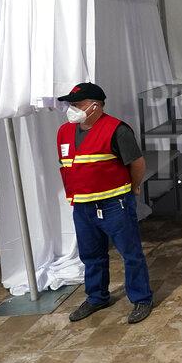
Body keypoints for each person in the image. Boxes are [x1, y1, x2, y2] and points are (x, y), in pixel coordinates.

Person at [56, 83, 154, 324]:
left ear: (94, 106)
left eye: (77, 105)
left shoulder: (117, 130)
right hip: (82, 206)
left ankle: (141, 298)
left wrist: (133, 187)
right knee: (91, 255)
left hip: (114, 205)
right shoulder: (64, 132)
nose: (72, 109)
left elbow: (138, 164)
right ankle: (97, 297)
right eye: (70, 104)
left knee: (130, 254)